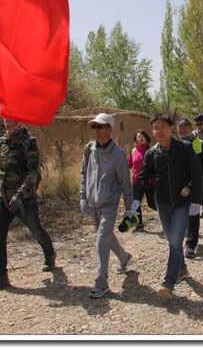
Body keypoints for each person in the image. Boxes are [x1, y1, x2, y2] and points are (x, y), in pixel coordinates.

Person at [132, 114, 202, 299]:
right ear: (152, 131)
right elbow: (142, 178)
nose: (159, 130)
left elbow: (196, 174)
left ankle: (168, 283)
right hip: (162, 204)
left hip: (182, 203)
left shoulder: (184, 148)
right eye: (155, 127)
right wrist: (136, 199)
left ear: (170, 128)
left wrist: (196, 199)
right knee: (173, 241)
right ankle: (182, 269)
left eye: (163, 126)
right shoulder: (152, 153)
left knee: (175, 242)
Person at [0, 119, 56, 293]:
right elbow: (2, 169)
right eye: (5, 119)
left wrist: (19, 196)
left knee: (36, 229)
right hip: (3, 198)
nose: (7, 123)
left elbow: (33, 173)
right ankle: (0, 276)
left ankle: (49, 253)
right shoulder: (2, 142)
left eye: (11, 120)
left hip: (24, 199)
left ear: (18, 122)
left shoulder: (29, 143)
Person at [79, 113, 134, 299]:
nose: (96, 130)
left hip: (110, 203)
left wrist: (129, 207)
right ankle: (124, 257)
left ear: (110, 129)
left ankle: (101, 282)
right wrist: (83, 197)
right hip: (93, 203)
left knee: (102, 238)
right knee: (106, 237)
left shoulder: (118, 154)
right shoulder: (89, 149)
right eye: (94, 126)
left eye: (100, 126)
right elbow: (84, 173)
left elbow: (125, 182)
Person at [177, 119, 203, 259]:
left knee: (193, 216)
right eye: (180, 133)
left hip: (197, 186)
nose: (182, 135)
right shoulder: (175, 146)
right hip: (179, 187)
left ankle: (191, 245)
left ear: (191, 130)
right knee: (183, 215)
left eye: (185, 132)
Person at [127, 130, 156, 232]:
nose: (141, 138)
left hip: (150, 182)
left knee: (152, 203)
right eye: (139, 137)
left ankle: (168, 216)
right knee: (136, 204)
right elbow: (128, 164)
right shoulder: (133, 151)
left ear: (147, 138)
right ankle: (139, 224)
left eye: (143, 136)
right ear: (136, 139)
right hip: (137, 182)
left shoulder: (152, 151)